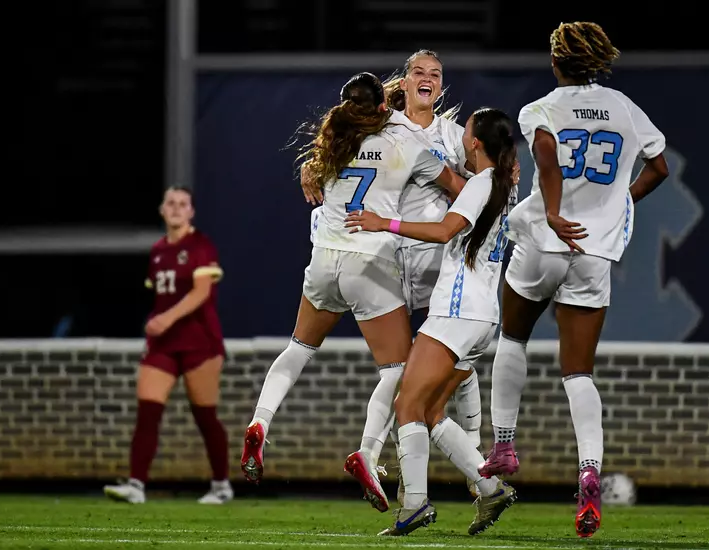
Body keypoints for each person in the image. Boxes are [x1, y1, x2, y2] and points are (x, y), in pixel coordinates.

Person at [477, 22, 671, 538]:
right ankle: (589, 471)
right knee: (578, 373)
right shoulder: (626, 108)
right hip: (592, 253)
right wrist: (615, 206)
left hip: (543, 241)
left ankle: (503, 444)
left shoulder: (542, 108)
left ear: (557, 61)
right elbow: (659, 168)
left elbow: (544, 151)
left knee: (513, 338)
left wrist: (557, 210)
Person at [239, 73, 467, 503]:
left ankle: (259, 424)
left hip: (324, 259)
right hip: (372, 261)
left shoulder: (332, 143)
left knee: (297, 350)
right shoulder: (405, 143)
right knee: (398, 369)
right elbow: (459, 188)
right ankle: (365, 452)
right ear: (385, 107)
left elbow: (316, 171)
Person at [346, 107, 520, 537]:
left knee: (407, 405)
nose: (461, 134)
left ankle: (417, 504)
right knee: (433, 411)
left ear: (475, 141)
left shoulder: (482, 183)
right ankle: (489, 486)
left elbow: (445, 231)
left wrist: (382, 221)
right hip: (482, 317)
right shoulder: (504, 184)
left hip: (455, 312)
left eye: (467, 129)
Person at [104, 186, 232, 505]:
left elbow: (200, 292)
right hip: (163, 344)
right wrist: (158, 323)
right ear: (162, 210)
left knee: (204, 415)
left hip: (199, 342)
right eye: (171, 203)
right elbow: (160, 295)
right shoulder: (158, 250)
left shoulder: (200, 246)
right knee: (148, 411)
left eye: (183, 204)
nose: (176, 208)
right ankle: (136, 485)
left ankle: (221, 485)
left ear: (191, 212)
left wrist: (166, 319)